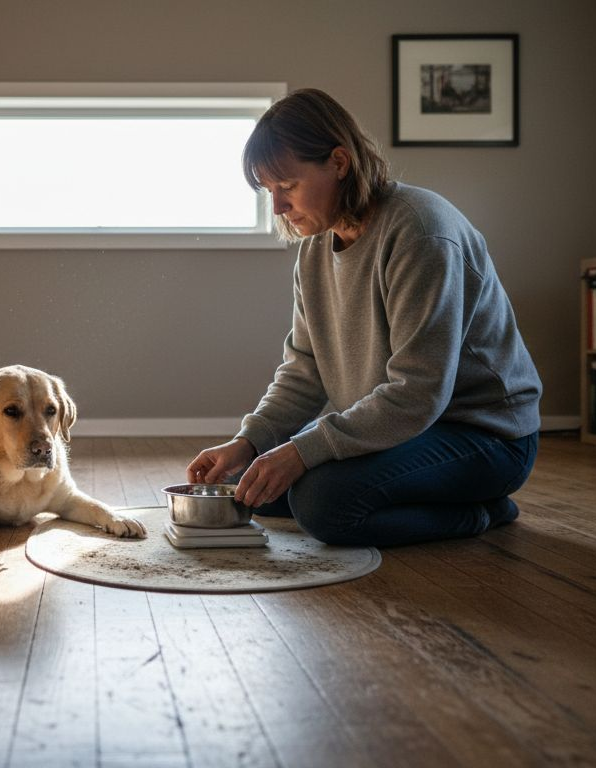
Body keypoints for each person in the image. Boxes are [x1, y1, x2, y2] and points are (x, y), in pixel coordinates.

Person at [186, 88, 542, 548]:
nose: (277, 208)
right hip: (406, 429)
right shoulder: (315, 250)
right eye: (268, 191)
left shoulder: (421, 232)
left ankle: (482, 513)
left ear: (338, 162)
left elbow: (418, 393)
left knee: (322, 504)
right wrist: (248, 444)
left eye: (287, 187)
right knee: (256, 487)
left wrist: (301, 452)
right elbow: (303, 372)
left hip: (485, 436)